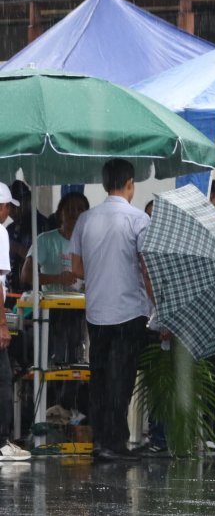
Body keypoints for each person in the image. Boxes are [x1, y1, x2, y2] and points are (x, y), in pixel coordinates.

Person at [69, 159, 153, 462]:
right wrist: (156, 304)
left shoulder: (85, 219)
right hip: (130, 310)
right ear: (130, 183)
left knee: (101, 377)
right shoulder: (138, 220)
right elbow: (146, 268)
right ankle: (114, 444)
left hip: (96, 311)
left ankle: (100, 440)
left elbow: (77, 267)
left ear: (105, 184)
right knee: (122, 377)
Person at [21, 193, 90, 366]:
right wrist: (57, 278)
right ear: (60, 214)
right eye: (69, 209)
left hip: (83, 313)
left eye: (80, 209)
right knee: (52, 362)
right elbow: (26, 275)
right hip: (52, 312)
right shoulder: (45, 240)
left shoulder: (91, 242)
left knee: (77, 364)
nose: (75, 213)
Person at [0, 182, 31, 461]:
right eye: (7, 206)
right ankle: (1, 442)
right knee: (4, 379)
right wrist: (1, 324)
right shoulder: (0, 232)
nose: (9, 212)